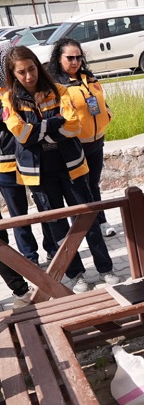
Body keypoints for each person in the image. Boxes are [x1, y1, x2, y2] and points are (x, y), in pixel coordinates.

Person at [1, 46, 119, 293]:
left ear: (38, 66)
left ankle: (105, 268)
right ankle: (76, 274)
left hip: (71, 167)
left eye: (32, 69)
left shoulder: (59, 90)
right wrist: (54, 123)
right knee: (57, 227)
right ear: (13, 74)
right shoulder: (9, 99)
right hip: (39, 174)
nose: (29, 76)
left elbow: (74, 126)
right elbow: (21, 134)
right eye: (21, 72)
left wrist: (38, 132)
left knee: (86, 219)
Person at [48, 38, 116, 237]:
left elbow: (100, 101)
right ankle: (82, 228)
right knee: (78, 189)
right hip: (73, 145)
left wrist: (107, 114)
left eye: (78, 57)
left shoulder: (89, 78)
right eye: (70, 58)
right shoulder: (54, 84)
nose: (75, 62)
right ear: (58, 58)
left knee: (93, 184)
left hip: (96, 141)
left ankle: (100, 221)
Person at [0, 43, 58, 268]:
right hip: (5, 163)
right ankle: (30, 260)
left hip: (34, 157)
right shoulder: (8, 97)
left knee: (45, 208)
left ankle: (53, 251)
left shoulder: (23, 91)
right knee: (19, 216)